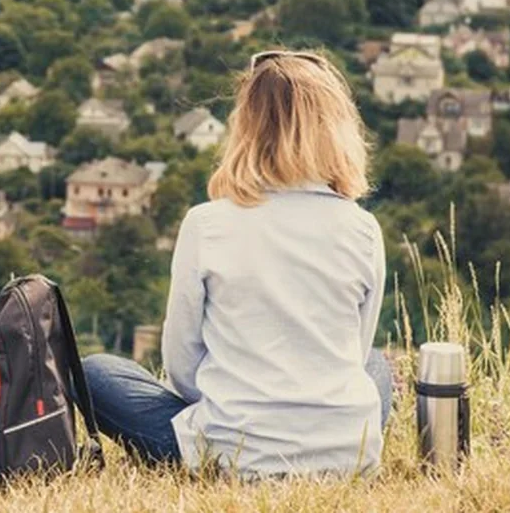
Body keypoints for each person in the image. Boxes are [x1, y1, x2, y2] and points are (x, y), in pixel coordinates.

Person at [81, 50, 392, 477]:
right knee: (374, 363)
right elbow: (353, 354)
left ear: (246, 128)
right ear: (338, 131)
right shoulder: (363, 229)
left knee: (96, 373)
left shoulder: (207, 224)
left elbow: (182, 368)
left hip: (231, 454)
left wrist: (234, 403)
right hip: (348, 454)